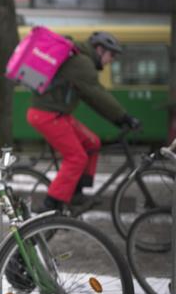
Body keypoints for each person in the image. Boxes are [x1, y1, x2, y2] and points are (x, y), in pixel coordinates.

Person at [27, 31, 140, 211]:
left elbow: (92, 97)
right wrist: (122, 117)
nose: (111, 60)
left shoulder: (80, 59)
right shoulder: (82, 63)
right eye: (111, 55)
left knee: (92, 142)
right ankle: (50, 204)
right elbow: (97, 94)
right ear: (100, 49)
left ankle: (76, 193)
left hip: (55, 114)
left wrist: (119, 118)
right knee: (76, 157)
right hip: (48, 115)